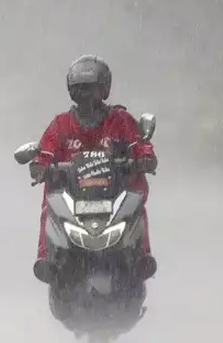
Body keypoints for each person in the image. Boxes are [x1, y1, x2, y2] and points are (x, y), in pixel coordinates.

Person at [28, 55, 158, 284]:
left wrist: (144, 159)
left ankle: (142, 254)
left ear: (105, 89)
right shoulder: (61, 124)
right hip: (72, 195)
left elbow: (139, 145)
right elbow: (44, 151)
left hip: (116, 192)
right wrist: (40, 166)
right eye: (80, 89)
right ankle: (46, 257)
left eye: (92, 89)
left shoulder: (122, 120)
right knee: (48, 201)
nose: (86, 96)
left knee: (138, 194)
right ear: (71, 91)